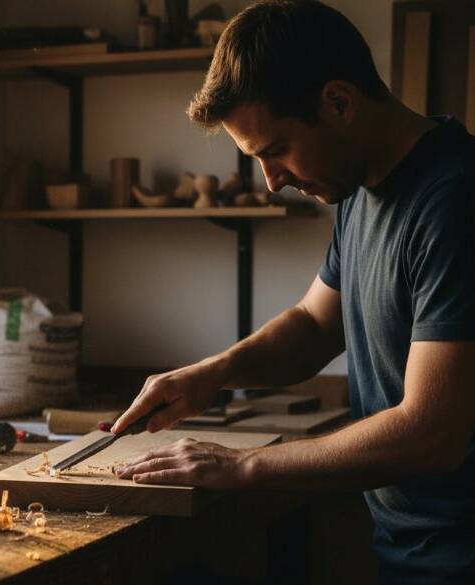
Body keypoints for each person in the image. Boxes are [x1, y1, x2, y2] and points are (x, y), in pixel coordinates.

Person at [109, 1, 475, 583]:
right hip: (408, 548)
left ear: (338, 102)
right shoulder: (358, 188)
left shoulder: (454, 199)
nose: (272, 180)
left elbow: (433, 433)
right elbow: (313, 323)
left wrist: (244, 466)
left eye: (274, 150)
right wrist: (215, 371)